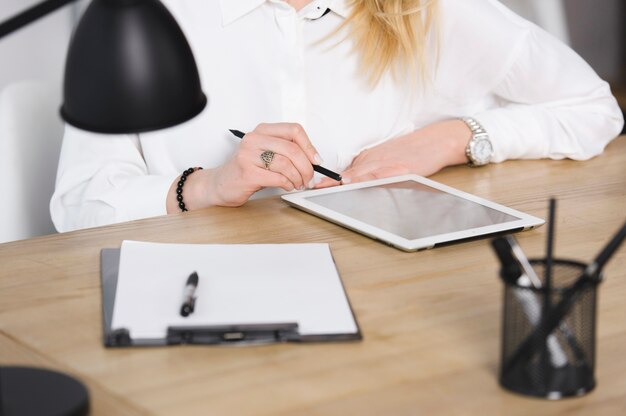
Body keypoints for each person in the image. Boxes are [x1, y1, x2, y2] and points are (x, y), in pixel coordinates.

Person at [50, 0, 624, 232]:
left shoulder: (424, 9)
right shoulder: (142, 17)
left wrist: (454, 138)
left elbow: (592, 108)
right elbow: (76, 205)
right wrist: (206, 187)